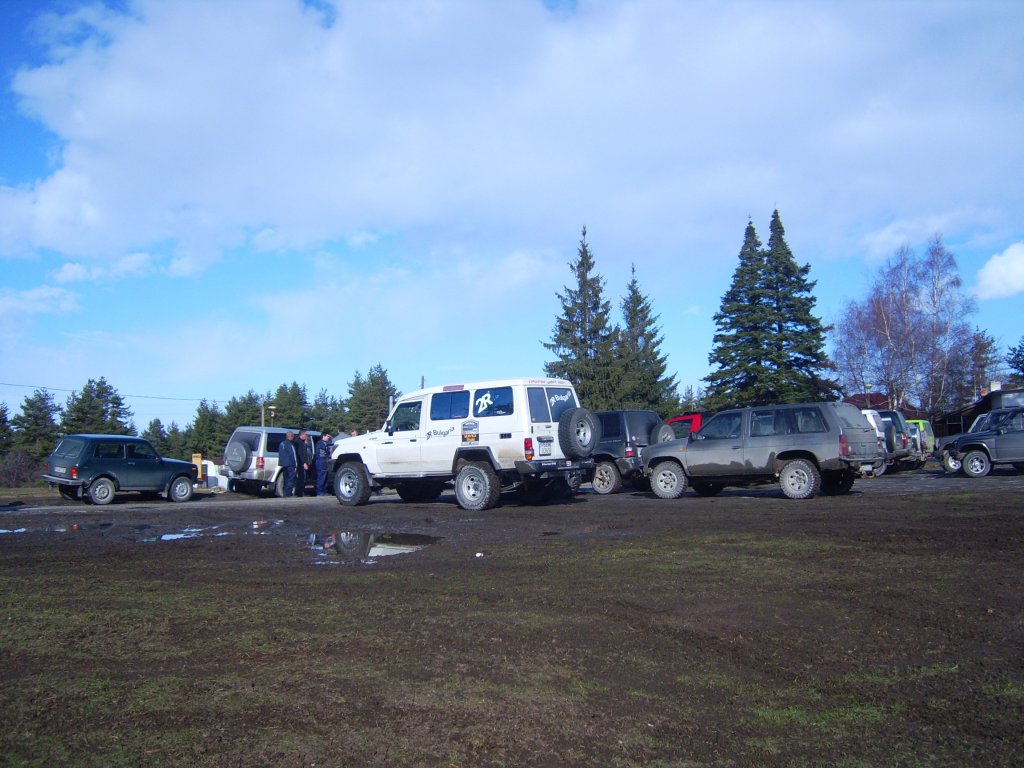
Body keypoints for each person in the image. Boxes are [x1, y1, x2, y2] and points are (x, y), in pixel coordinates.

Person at [315, 429, 335, 496]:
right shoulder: (320, 443)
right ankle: (320, 492)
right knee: (321, 477)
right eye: (327, 436)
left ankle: (324, 491)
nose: (328, 438)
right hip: (321, 461)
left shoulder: (325, 443)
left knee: (325, 477)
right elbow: (324, 452)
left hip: (325, 462)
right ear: (324, 436)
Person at [278, 431, 297, 497]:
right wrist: (295, 465)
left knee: (285, 479)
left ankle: (285, 493)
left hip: (283, 465)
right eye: (293, 436)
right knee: (290, 479)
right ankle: (288, 493)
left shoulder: (281, 443)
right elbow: (293, 455)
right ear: (291, 436)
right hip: (290, 464)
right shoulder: (290, 444)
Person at [295, 429, 313, 497]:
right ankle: (299, 492)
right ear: (302, 434)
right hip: (300, 463)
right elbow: (300, 454)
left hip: (302, 463)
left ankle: (301, 491)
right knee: (301, 478)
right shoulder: (298, 442)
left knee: (303, 478)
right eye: (306, 435)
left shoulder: (302, 442)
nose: (307, 436)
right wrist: (304, 463)